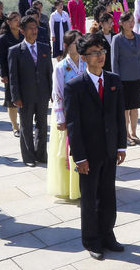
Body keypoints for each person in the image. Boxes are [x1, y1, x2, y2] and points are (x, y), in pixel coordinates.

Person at [65, 32, 127, 260]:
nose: (100, 56)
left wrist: (121, 146)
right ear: (83, 57)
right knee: (90, 198)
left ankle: (108, 235)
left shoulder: (113, 80)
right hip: (88, 154)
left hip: (110, 149)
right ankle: (91, 240)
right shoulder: (75, 86)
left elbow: (119, 115)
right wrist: (79, 157)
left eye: (102, 51)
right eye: (95, 52)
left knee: (108, 195)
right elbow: (73, 125)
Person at [8, 15, 53, 165]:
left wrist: (52, 92)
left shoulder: (45, 48)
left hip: (42, 94)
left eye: (35, 28)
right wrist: (15, 97)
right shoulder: (15, 51)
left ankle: (41, 154)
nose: (34, 31)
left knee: (42, 125)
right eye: (30, 28)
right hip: (25, 96)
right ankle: (28, 157)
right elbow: (13, 77)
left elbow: (49, 72)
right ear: (22, 31)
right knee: (26, 126)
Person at [48, 30, 85, 199]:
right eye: (74, 43)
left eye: (80, 42)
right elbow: (57, 94)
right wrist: (60, 118)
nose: (78, 46)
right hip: (69, 116)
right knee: (69, 153)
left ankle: (86, 184)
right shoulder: (61, 67)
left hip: (86, 114)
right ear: (66, 46)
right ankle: (72, 189)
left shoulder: (85, 63)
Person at [112, 11, 140, 146]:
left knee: (135, 107)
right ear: (121, 23)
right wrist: (116, 80)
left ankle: (134, 133)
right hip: (123, 79)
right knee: (125, 109)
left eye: (133, 21)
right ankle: (125, 134)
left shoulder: (139, 38)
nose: (131, 24)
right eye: (128, 21)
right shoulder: (117, 39)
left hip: (136, 77)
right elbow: (114, 61)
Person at [0, 12, 23, 137]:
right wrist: (3, 74)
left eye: (19, 19)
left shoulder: (23, 35)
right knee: (11, 99)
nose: (18, 22)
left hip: (24, 71)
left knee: (24, 97)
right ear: (8, 22)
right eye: (15, 20)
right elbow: (1, 58)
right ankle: (15, 126)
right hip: (10, 72)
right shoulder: (4, 38)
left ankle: (24, 123)